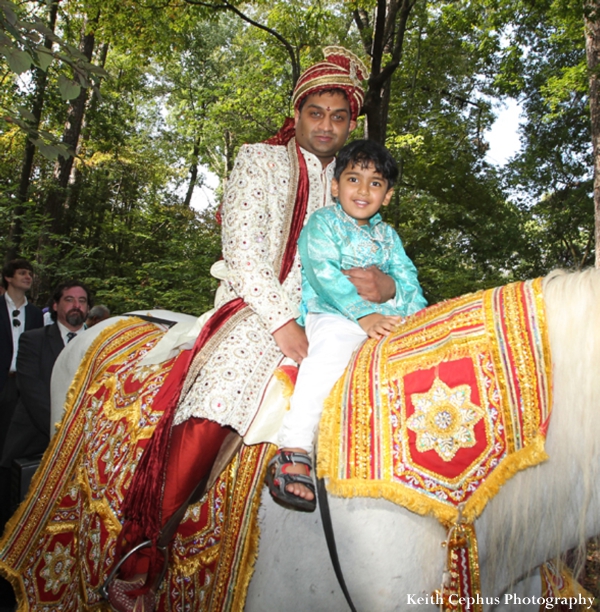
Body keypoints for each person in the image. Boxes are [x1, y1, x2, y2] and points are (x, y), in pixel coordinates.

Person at [106, 47, 401, 611]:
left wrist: (385, 288)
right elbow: (242, 253)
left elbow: (378, 259)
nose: (327, 126)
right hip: (255, 308)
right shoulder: (259, 160)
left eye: (339, 118)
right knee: (221, 402)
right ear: (298, 112)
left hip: (334, 317)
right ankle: (139, 557)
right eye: (317, 112)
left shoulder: (351, 182)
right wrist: (282, 323)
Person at [266, 140, 427, 511]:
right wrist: (362, 313)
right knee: (328, 359)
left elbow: (408, 279)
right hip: (334, 315)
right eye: (354, 178)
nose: (363, 190)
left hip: (386, 318)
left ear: (387, 196)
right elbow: (322, 272)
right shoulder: (323, 223)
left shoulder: (389, 237)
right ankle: (293, 448)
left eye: (375, 183)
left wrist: (416, 317)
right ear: (336, 186)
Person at [1, 281, 92, 480]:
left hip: (89, 445)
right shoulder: (32, 340)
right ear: (55, 305)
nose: (76, 305)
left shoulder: (100, 343)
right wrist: (68, 433)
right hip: (35, 443)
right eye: (69, 299)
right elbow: (33, 393)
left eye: (82, 301)